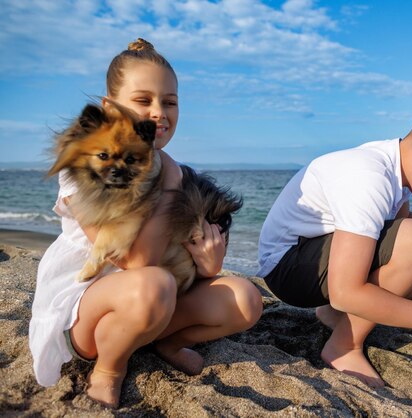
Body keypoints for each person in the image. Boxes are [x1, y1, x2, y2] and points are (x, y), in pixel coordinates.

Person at [29, 39, 263, 408]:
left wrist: (210, 266)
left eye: (169, 102)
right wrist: (170, 180)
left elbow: (177, 258)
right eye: (143, 100)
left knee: (246, 299)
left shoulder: (175, 170)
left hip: (155, 305)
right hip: (88, 313)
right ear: (110, 108)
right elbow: (137, 262)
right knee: (153, 284)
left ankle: (166, 342)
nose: (159, 112)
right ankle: (109, 369)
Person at [257, 108, 412, 388]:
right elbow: (347, 289)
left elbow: (395, 224)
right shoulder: (368, 176)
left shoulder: (396, 170)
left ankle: (336, 316)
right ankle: (344, 347)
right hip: (288, 265)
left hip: (315, 260)